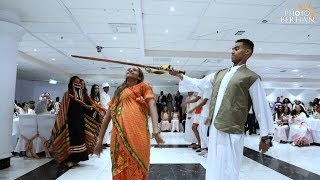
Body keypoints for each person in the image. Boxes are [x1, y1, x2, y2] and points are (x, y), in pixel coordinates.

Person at [170, 39, 274, 180]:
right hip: (215, 127)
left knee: (229, 167)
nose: (232, 51)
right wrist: (179, 75)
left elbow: (261, 107)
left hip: (232, 130)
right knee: (214, 164)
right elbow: (199, 84)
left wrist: (266, 138)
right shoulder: (220, 73)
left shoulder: (251, 77)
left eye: (237, 48)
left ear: (247, 52)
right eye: (232, 48)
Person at [94, 67, 164, 179]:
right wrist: (100, 140)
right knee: (120, 165)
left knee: (137, 164)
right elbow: (108, 116)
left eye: (134, 70)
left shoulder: (143, 86)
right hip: (118, 135)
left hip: (138, 133)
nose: (130, 70)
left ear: (139, 76)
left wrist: (156, 131)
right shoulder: (119, 92)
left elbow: (152, 105)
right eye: (129, 69)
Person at [49, 76, 105, 168]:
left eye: (79, 82)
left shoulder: (82, 95)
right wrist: (64, 120)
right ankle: (69, 160)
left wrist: (97, 112)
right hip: (70, 121)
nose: (77, 84)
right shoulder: (67, 94)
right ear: (71, 83)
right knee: (71, 140)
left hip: (80, 121)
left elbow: (86, 107)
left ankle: (76, 159)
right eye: (75, 82)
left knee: (79, 139)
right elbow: (63, 108)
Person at [100, 82, 112, 148]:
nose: (108, 89)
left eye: (108, 87)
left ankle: (105, 142)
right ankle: (101, 143)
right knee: (104, 128)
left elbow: (109, 104)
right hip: (105, 113)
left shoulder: (108, 95)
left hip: (109, 113)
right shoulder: (102, 95)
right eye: (106, 87)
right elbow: (104, 105)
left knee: (108, 128)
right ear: (104, 88)